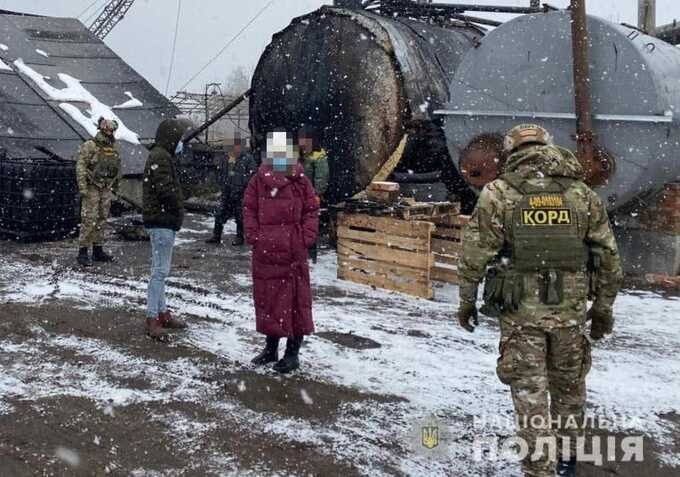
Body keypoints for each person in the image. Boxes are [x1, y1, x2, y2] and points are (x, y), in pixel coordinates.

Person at [456, 124, 623, 477]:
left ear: (510, 152)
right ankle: (566, 461)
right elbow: (608, 256)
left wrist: (467, 300)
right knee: (569, 389)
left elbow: (474, 254)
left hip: (521, 315)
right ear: (549, 148)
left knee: (531, 396)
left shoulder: (498, 193)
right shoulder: (581, 194)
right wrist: (604, 308)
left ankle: (539, 469)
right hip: (570, 313)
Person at [243, 130, 319, 373]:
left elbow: (311, 210)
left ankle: (292, 354)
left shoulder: (300, 181)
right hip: (266, 253)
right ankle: (270, 349)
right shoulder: (258, 180)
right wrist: (255, 236)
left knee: (295, 303)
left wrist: (304, 237)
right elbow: (249, 208)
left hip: (292, 253)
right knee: (270, 301)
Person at [142, 118, 191, 340]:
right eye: (179, 138)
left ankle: (161, 313)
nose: (181, 142)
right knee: (160, 272)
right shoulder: (161, 157)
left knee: (160, 270)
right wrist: (179, 206)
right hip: (162, 221)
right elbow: (166, 190)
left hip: (162, 220)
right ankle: (153, 318)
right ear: (171, 137)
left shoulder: (161, 156)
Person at [75, 117, 121, 267]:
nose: (109, 132)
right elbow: (81, 166)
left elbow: (117, 167)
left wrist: (116, 187)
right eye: (107, 129)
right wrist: (82, 187)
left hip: (106, 187)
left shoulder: (113, 147)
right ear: (101, 129)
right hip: (92, 187)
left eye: (112, 130)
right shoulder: (90, 145)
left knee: (102, 218)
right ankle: (82, 251)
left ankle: (98, 250)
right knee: (89, 218)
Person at [206, 132, 258, 246]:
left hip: (241, 192)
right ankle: (216, 235)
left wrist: (240, 182)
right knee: (220, 213)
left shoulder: (247, 159)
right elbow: (221, 172)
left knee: (240, 216)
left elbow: (252, 176)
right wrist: (223, 183)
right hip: (227, 191)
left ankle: (240, 237)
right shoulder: (226, 157)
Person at [297, 126, 329, 263]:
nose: (301, 142)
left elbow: (322, 178)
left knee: (309, 225)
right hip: (298, 196)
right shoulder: (300, 155)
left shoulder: (318, 156)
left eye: (304, 139)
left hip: (311, 196)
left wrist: (316, 194)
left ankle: (311, 254)